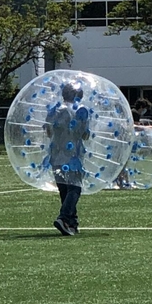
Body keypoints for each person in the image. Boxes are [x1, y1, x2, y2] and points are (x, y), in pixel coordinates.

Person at [47, 81, 91, 235]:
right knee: (75, 188)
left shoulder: (53, 110)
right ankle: (64, 217)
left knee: (64, 190)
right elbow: (84, 135)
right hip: (73, 157)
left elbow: (48, 132)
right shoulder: (81, 110)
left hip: (55, 155)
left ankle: (72, 222)